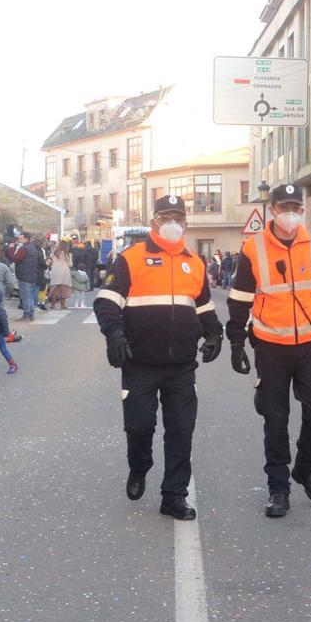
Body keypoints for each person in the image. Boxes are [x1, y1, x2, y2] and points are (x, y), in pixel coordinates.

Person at [226, 183, 311, 519]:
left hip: (310, 343)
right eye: (285, 206)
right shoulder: (253, 249)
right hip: (270, 346)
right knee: (275, 417)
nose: (291, 213)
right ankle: (278, 487)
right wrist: (236, 341)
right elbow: (239, 299)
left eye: (297, 206)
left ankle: (305, 468)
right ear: (272, 209)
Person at [95, 194, 222, 521]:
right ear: (154, 222)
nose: (172, 223)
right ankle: (139, 466)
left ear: (186, 223)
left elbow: (204, 306)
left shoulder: (194, 262)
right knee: (139, 427)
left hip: (181, 366)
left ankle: (173, 496)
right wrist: (114, 334)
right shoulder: (130, 258)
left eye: (178, 217)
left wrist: (214, 333)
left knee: (181, 431)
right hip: (139, 364)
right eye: (166, 216)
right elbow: (107, 301)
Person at [7, 231, 41, 321]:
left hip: (24, 276)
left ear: (26, 238)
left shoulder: (24, 249)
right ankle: (31, 314)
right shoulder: (32, 247)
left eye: (21, 238)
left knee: (25, 296)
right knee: (29, 296)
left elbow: (15, 258)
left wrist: (11, 249)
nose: (19, 240)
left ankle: (26, 315)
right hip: (31, 275)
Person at [47, 243, 73, 310]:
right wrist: (70, 257)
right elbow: (70, 264)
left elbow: (49, 262)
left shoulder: (54, 253)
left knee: (54, 289)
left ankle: (53, 305)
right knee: (64, 289)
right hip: (65, 272)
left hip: (55, 272)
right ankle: (63, 305)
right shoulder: (67, 254)